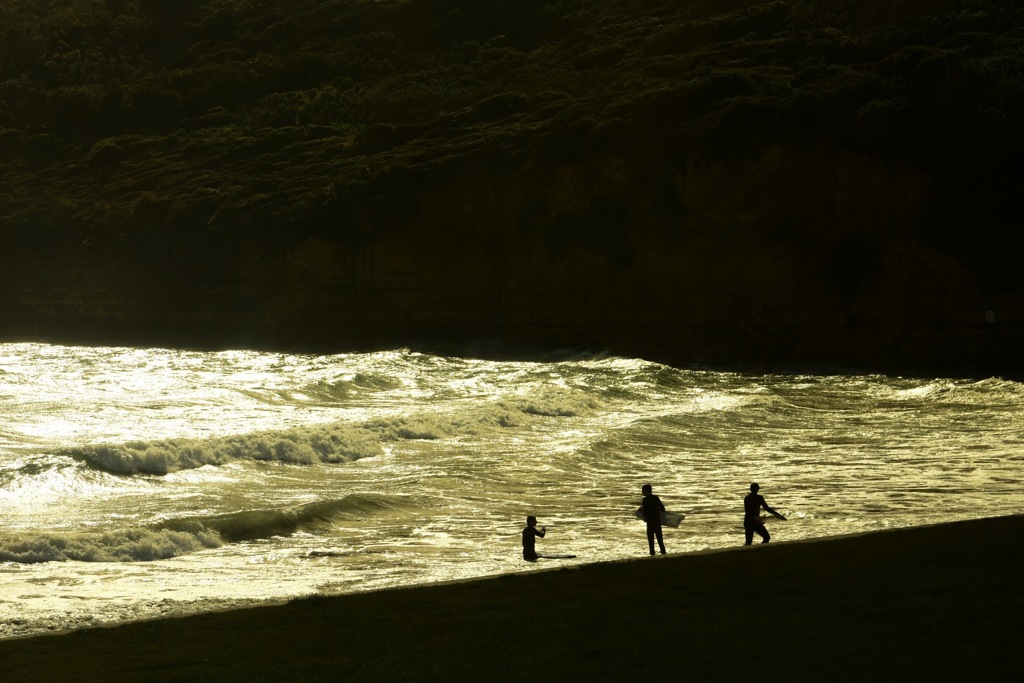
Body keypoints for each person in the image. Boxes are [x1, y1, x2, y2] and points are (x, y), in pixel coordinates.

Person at [641, 483, 667, 555]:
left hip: (650, 522)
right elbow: (662, 508)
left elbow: (644, 512)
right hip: (657, 521)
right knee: (660, 539)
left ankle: (652, 555)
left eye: (643, 490)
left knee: (651, 540)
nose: (642, 492)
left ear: (647, 491)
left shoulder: (645, 500)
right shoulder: (656, 498)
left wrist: (644, 518)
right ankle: (664, 553)